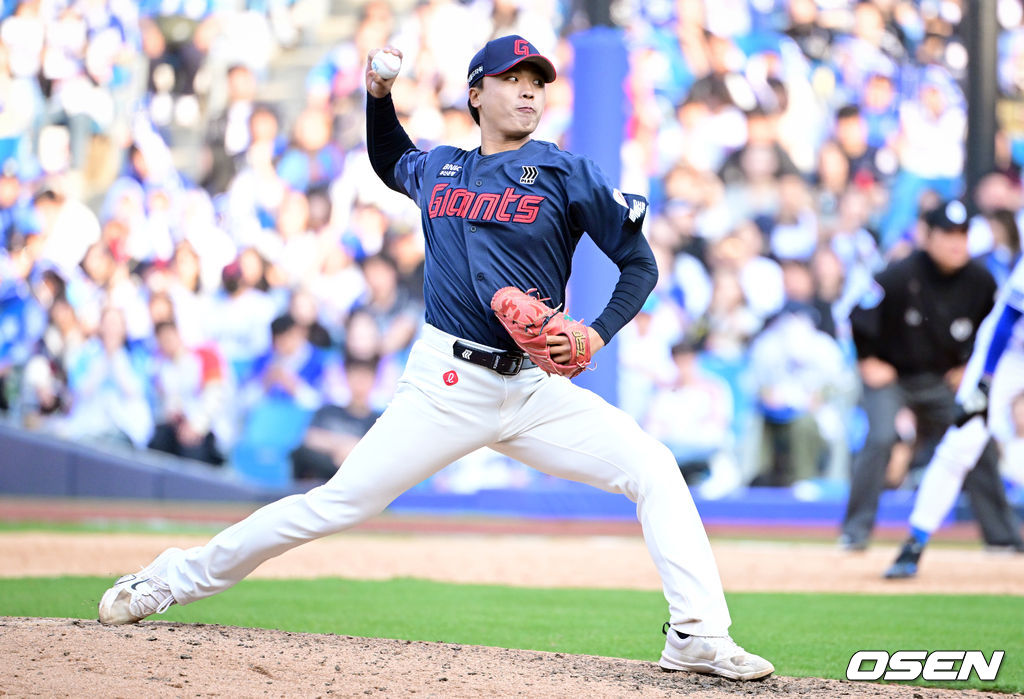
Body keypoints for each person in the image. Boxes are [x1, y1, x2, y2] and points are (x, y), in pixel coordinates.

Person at [97, 35, 773, 682]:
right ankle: (171, 577)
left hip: (533, 389)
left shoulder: (567, 173)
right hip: (446, 384)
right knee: (333, 504)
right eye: (512, 79)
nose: (529, 92)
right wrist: (377, 95)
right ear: (476, 94)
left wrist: (596, 334)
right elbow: (389, 154)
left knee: (653, 467)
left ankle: (696, 634)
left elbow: (639, 264)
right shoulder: (441, 167)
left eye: (537, 82)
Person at [840, 200, 1023, 552]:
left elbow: (991, 333)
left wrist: (969, 366)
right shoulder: (898, 274)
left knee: (975, 439)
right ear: (928, 236)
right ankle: (855, 532)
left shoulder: (980, 280)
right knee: (880, 437)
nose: (957, 243)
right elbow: (858, 315)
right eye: (948, 234)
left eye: (963, 234)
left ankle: (1001, 537)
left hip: (941, 381)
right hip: (894, 379)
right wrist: (866, 359)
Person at [884, 254, 1024, 578]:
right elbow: (1006, 321)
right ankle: (916, 541)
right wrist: (985, 380)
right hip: (1008, 356)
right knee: (960, 445)